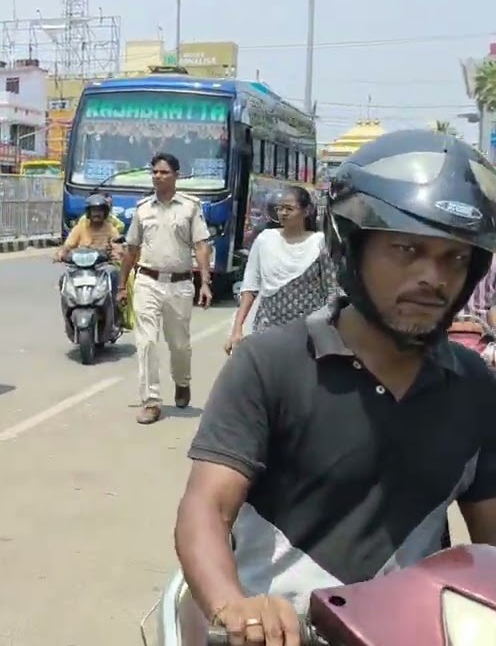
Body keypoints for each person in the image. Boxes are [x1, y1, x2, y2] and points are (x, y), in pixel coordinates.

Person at [174, 130, 496, 645]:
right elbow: (207, 507)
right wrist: (234, 606)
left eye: (454, 258)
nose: (432, 277)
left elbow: (491, 540)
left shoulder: (474, 383)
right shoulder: (272, 362)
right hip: (277, 632)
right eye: (406, 249)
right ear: (353, 246)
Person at [118, 153, 213, 425]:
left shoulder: (191, 207)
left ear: (176, 176)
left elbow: (201, 245)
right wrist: (122, 286)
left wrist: (204, 281)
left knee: (179, 344)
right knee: (146, 342)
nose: (157, 176)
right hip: (147, 281)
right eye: (154, 172)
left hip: (180, 284)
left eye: (163, 172)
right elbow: (131, 248)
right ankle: (151, 401)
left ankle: (182, 382)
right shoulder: (142, 209)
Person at [225, 185, 339, 354]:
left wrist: (326, 326)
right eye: (280, 208)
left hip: (307, 333)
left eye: (289, 208)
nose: (283, 213)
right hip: (267, 328)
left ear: (306, 211)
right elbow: (250, 287)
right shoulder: (265, 239)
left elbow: (331, 290)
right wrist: (237, 329)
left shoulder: (319, 243)